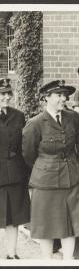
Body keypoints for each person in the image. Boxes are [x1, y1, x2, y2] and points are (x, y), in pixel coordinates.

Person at [22, 80, 79, 259]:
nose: (63, 98)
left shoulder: (74, 118)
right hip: (45, 183)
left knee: (71, 224)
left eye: (64, 95)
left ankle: (68, 261)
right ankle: (47, 261)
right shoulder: (35, 123)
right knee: (46, 225)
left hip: (71, 180)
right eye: (58, 95)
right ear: (46, 98)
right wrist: (44, 169)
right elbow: (28, 154)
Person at [0, 78, 30, 259]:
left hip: (15, 174)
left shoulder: (19, 116)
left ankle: (12, 254)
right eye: (2, 94)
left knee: (13, 216)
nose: (5, 97)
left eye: (8, 94)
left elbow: (24, 145)